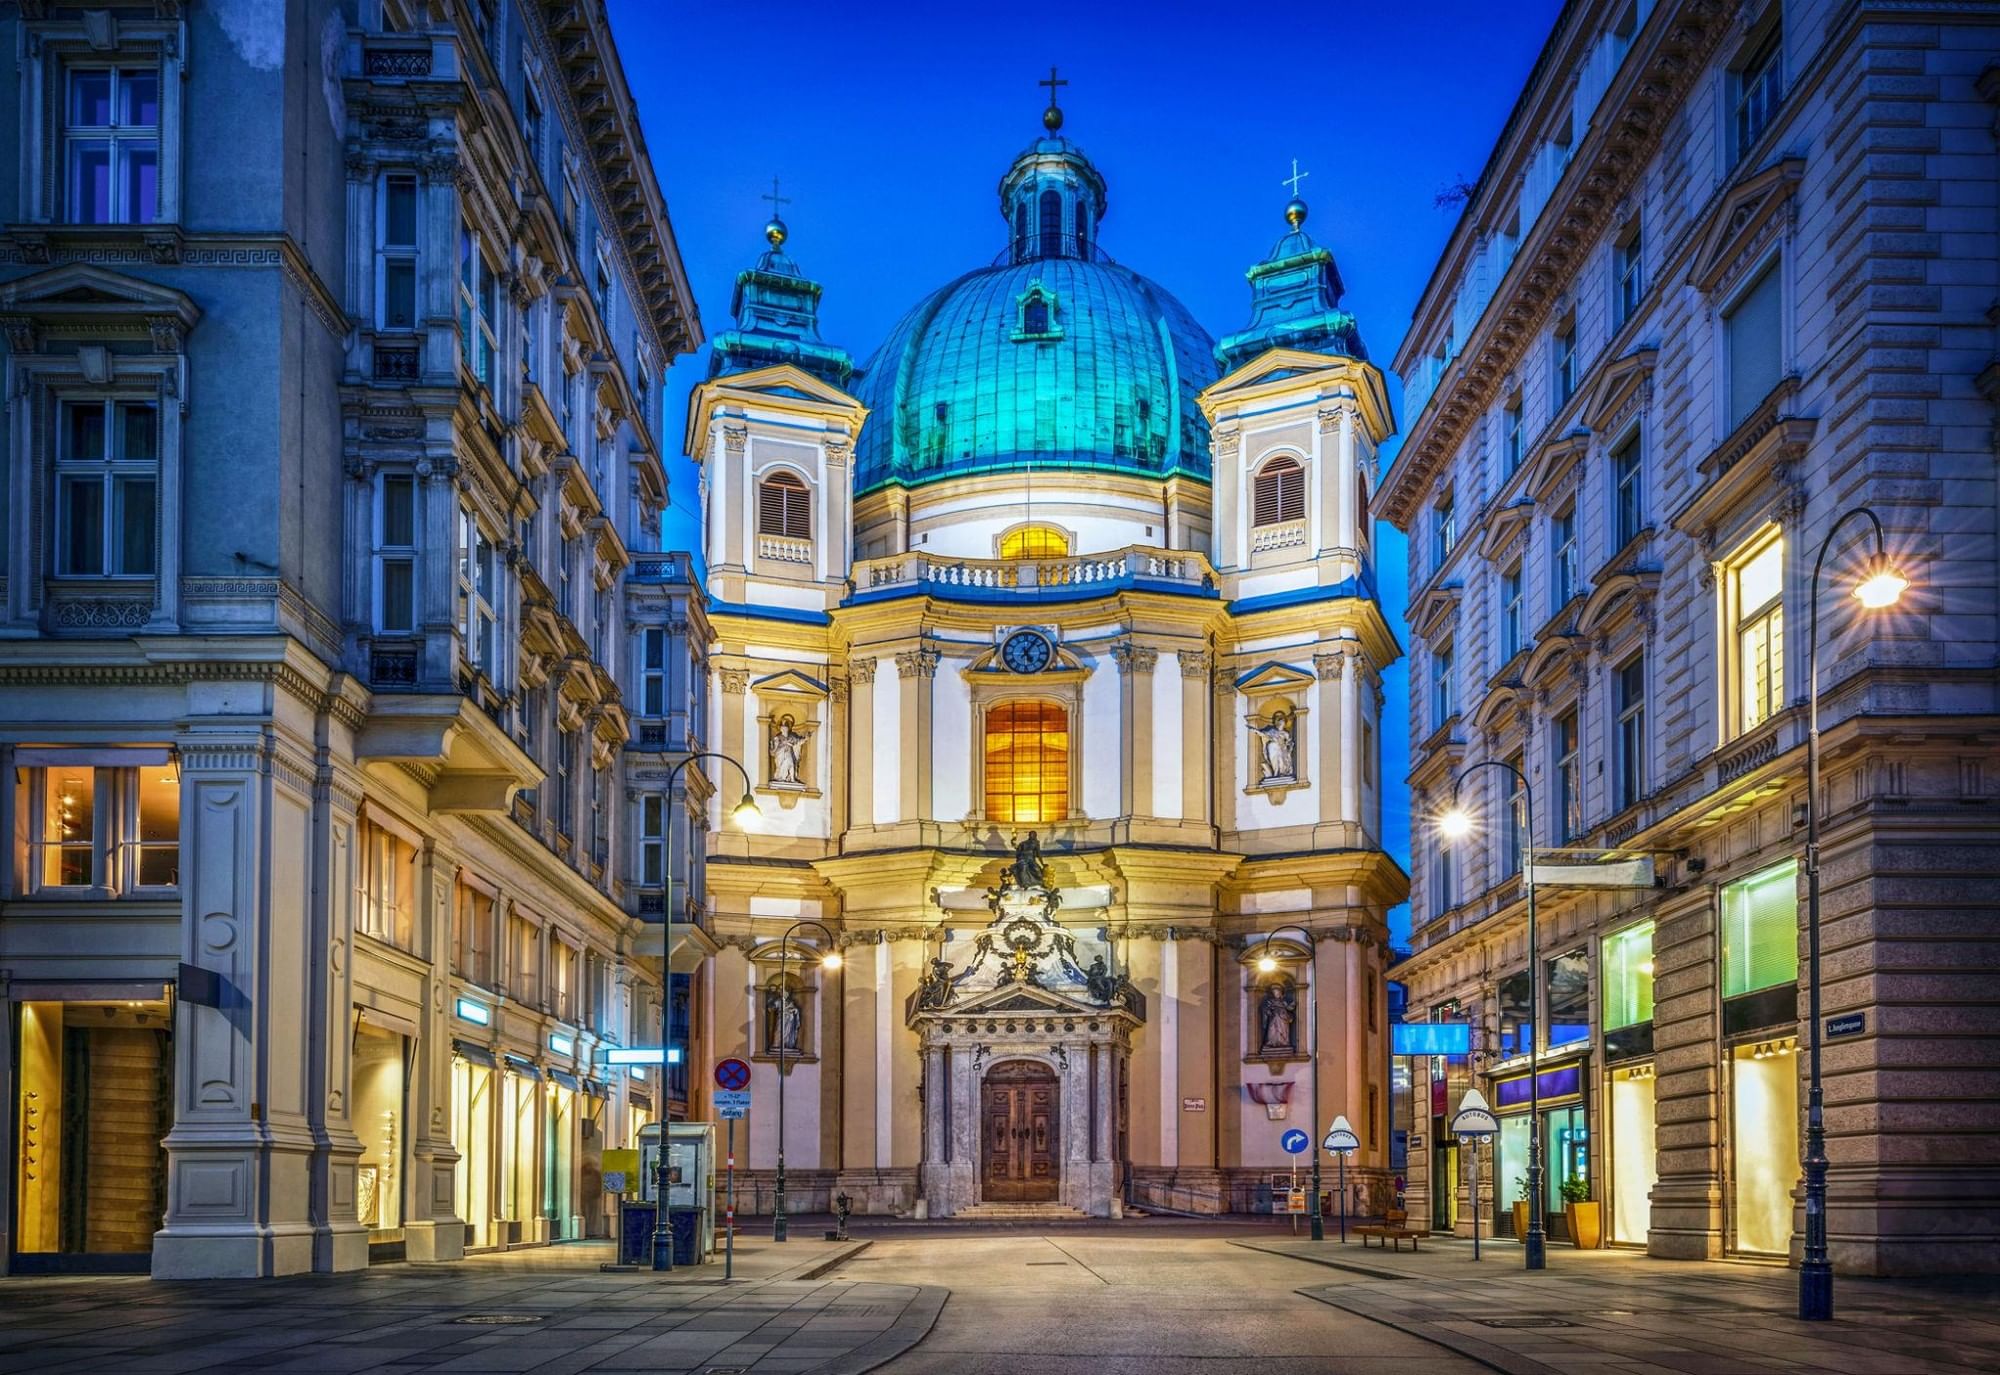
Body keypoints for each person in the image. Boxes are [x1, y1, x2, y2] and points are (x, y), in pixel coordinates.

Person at [1248, 711, 1296, 781]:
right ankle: (1276, 773)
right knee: (1274, 757)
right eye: (1278, 719)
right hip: (1273, 748)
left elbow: (1289, 742)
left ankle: (1282, 772)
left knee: (1282, 760)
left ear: (1284, 723)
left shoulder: (1285, 733)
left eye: (1281, 720)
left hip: (1283, 750)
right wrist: (1255, 730)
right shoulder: (1271, 730)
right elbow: (1263, 734)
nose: (1280, 722)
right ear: (1275, 722)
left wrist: (1289, 745)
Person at [770, 715, 805, 785]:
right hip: (781, 755)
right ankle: (781, 777)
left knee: (791, 764)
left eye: (785, 727)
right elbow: (775, 748)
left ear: (788, 728)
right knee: (783, 765)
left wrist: (805, 738)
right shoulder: (778, 737)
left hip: (788, 753)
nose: (784, 729)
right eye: (783, 728)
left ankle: (792, 779)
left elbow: (798, 742)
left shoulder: (792, 736)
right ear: (780, 729)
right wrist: (782, 744)